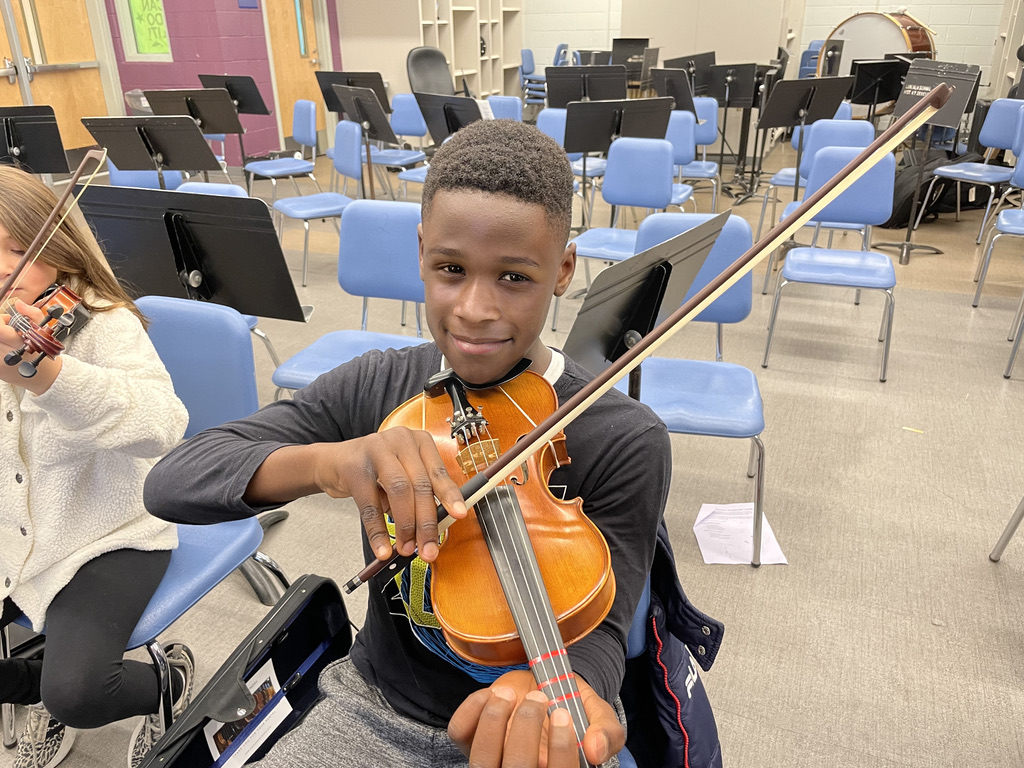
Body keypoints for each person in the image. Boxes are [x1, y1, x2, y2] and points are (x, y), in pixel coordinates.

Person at [144, 119, 671, 767]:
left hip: (534, 712)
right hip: (375, 705)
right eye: (450, 269)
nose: (474, 308)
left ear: (562, 270)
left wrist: (564, 688)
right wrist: (333, 462)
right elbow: (172, 483)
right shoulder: (381, 386)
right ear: (421, 250)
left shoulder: (621, 434)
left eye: (514, 277)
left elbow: (603, 631)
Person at [0, 165, 192, 768]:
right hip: (15, 526)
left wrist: (46, 376)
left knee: (80, 691)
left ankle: (169, 684)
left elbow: (164, 424)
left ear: (55, 248)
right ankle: (35, 688)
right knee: (55, 686)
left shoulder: (101, 322)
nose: (1, 267)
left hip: (107, 533)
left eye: (13, 247)